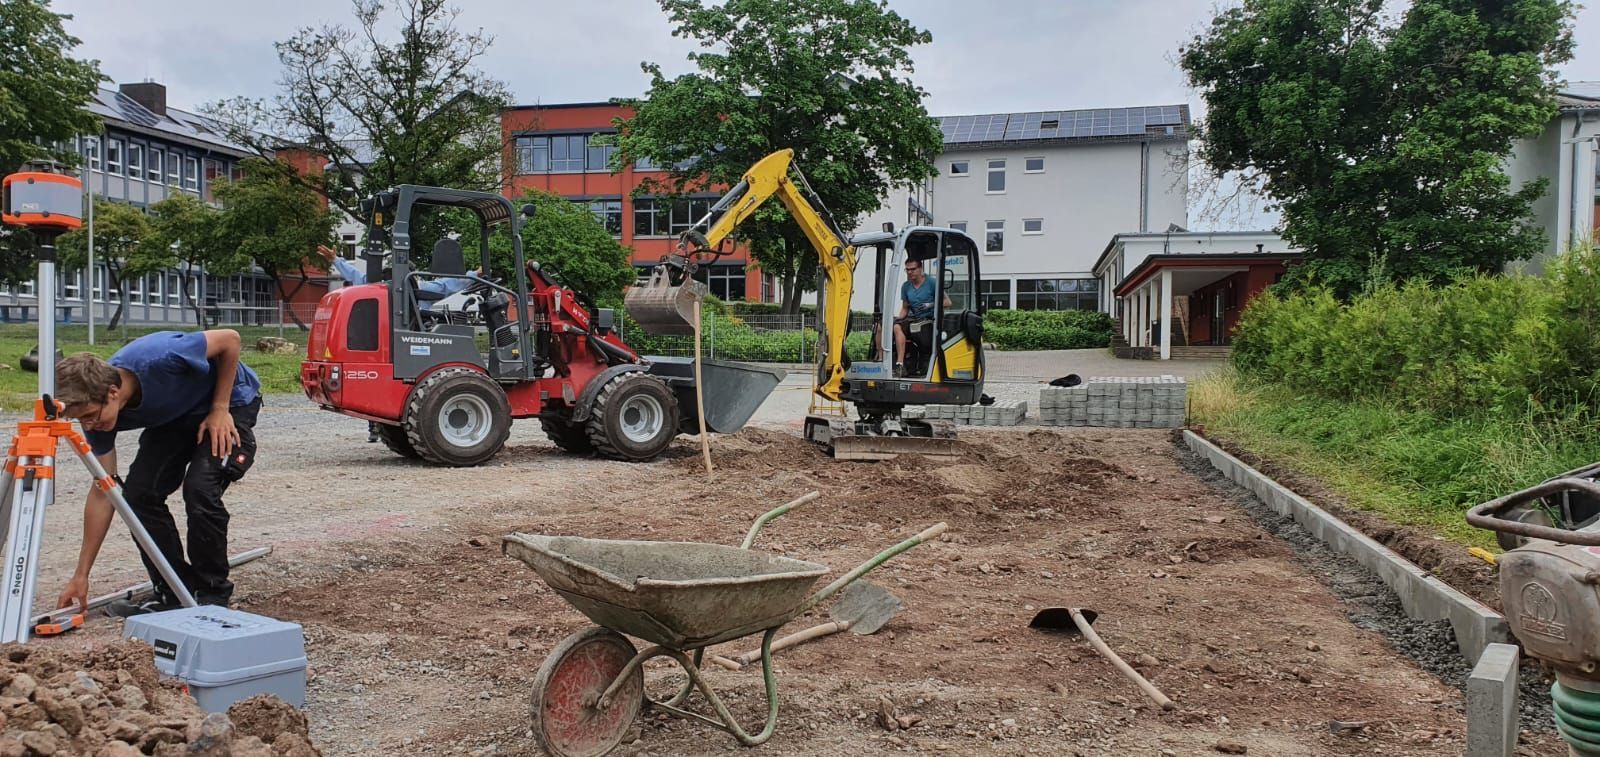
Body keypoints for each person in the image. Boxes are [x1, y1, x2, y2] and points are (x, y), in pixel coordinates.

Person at [53, 329, 262, 617]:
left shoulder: (161, 357)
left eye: (90, 416)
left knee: (199, 488)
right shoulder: (100, 418)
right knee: (138, 495)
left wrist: (219, 408)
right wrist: (81, 575)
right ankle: (175, 590)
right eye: (80, 420)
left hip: (228, 402)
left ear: (112, 392)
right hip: (176, 416)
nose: (87, 426)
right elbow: (104, 491)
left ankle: (212, 593)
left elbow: (230, 339)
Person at [893, 258, 952, 377]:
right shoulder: (906, 286)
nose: (910, 272)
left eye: (913, 269)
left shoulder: (932, 283)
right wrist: (898, 319)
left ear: (920, 269)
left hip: (929, 320)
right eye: (907, 270)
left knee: (917, 329)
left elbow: (948, 302)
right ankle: (900, 365)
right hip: (913, 319)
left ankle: (925, 362)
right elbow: (905, 307)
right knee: (896, 327)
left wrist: (930, 304)